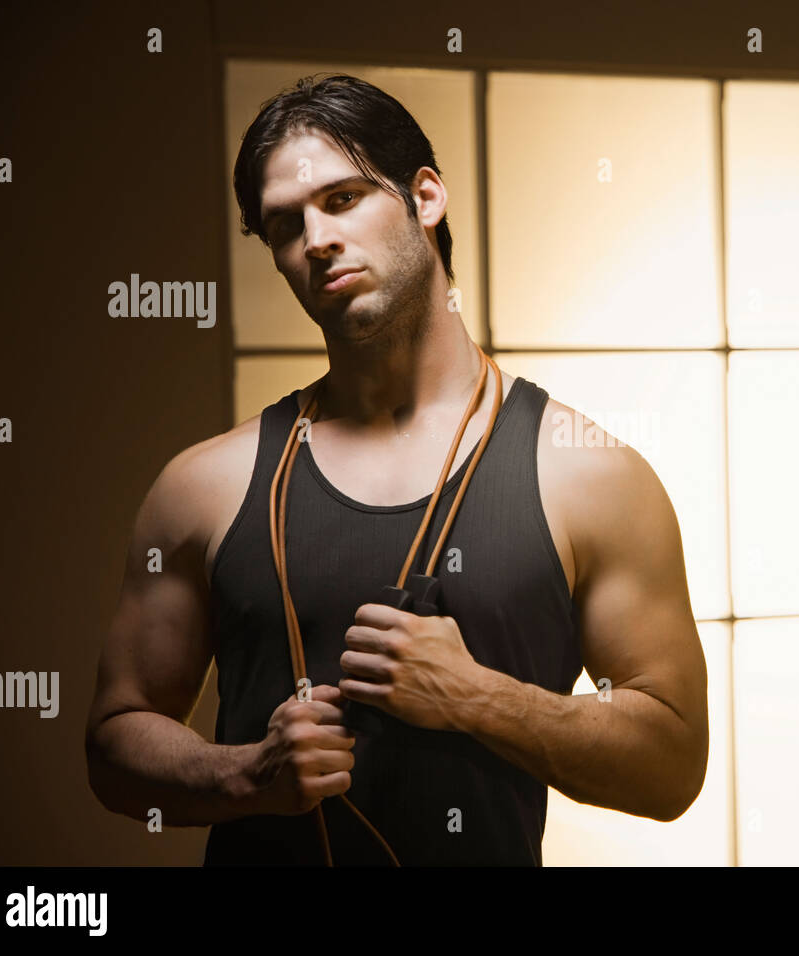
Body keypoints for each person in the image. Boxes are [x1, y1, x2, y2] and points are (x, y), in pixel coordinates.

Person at [84, 74, 708, 865]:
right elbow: (113, 739)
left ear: (426, 197)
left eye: (342, 200)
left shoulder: (588, 476)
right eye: (285, 224)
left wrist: (478, 698)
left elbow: (673, 765)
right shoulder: (205, 486)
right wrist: (240, 772)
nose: (315, 240)